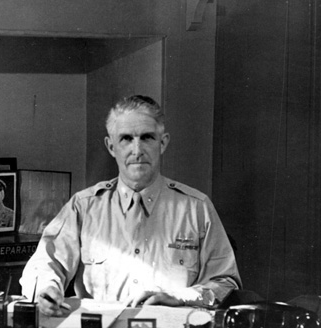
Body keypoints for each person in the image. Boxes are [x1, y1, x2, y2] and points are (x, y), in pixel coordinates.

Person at [20, 95, 241, 316]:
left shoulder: (196, 209)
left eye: (147, 137)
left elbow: (226, 284)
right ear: (111, 146)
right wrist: (47, 288)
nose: (137, 150)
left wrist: (181, 296)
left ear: (162, 143)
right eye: (126, 139)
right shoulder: (83, 207)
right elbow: (44, 264)